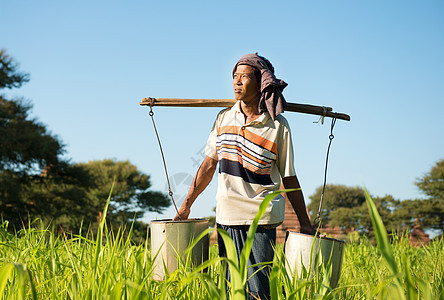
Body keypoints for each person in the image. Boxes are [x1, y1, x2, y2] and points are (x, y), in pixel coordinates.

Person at [173, 53, 314, 299]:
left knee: (259, 289)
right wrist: (185, 206)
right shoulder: (224, 118)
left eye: (244, 77)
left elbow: (289, 177)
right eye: (234, 77)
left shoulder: (278, 126)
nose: (237, 82)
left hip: (261, 218)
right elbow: (208, 166)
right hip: (227, 216)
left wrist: (305, 222)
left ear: (261, 83)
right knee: (231, 290)